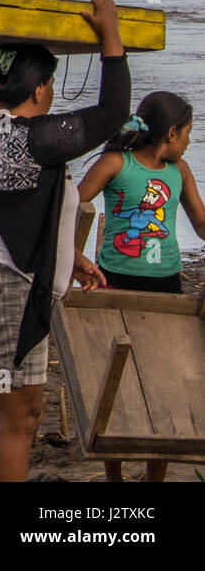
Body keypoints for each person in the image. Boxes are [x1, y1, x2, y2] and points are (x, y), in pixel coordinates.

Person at [0, 0, 129, 483]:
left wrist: (66, 259)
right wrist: (110, 33)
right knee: (20, 417)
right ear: (41, 87)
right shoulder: (37, 137)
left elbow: (11, 209)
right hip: (4, 289)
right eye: (50, 82)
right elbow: (113, 112)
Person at [77, 91, 205, 482]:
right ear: (170, 133)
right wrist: (74, 258)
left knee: (163, 382)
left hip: (167, 286)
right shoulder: (116, 163)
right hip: (114, 283)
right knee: (116, 383)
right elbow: (72, 207)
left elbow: (201, 224)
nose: (188, 142)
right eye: (186, 134)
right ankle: (114, 477)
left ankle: (155, 479)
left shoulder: (179, 171)